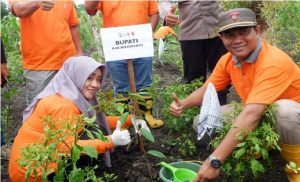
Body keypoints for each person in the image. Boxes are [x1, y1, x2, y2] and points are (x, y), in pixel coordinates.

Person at [169, 8, 300, 182]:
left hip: (291, 120)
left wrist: (214, 160)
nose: (238, 40)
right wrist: (183, 104)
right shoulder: (228, 60)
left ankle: (295, 167)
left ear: (257, 30)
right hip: (258, 112)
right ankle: (258, 149)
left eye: (244, 32)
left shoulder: (273, 62)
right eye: (230, 35)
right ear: (221, 38)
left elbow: (252, 115)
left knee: (284, 111)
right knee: (203, 120)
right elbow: (208, 89)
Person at [8, 56, 135, 181]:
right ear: (75, 76)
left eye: (98, 79)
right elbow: (67, 148)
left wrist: (130, 120)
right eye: (89, 78)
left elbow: (94, 120)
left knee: (93, 129)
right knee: (94, 134)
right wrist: (110, 141)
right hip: (34, 173)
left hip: (39, 162)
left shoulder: (67, 94)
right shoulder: (63, 106)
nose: (95, 84)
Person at [84, 1, 164, 128]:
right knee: (121, 86)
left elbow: (155, 12)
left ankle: (147, 115)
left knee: (145, 83)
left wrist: (148, 34)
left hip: (140, 42)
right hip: (115, 45)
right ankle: (125, 118)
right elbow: (90, 9)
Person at [9, 0, 83, 105]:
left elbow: (72, 25)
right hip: (40, 66)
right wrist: (36, 3)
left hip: (68, 63)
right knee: (39, 109)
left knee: (71, 106)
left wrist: (79, 52)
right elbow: (17, 9)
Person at [159, 0, 229, 105]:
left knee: (222, 73)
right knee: (194, 78)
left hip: (217, 30)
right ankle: (194, 110)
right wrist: (167, 15)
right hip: (191, 34)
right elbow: (165, 2)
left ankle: (222, 108)